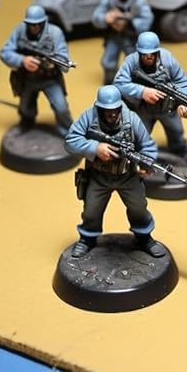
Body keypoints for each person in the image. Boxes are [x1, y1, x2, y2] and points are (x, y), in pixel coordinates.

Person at [64, 85, 164, 259]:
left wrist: (147, 163)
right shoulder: (89, 117)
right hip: (98, 176)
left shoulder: (131, 119)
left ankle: (144, 237)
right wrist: (95, 147)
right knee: (91, 210)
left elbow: (147, 144)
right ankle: (87, 238)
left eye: (115, 110)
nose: (111, 114)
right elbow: (70, 141)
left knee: (139, 207)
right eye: (107, 110)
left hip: (128, 175)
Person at [113, 31, 187, 157]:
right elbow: (119, 82)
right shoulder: (131, 61)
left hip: (167, 108)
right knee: (138, 137)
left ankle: (180, 153)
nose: (148, 57)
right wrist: (142, 91)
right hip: (143, 109)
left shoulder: (168, 59)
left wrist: (184, 102)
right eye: (145, 54)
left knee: (176, 132)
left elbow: (181, 81)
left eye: (152, 53)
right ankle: (137, 159)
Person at [0, 5, 74, 136]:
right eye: (31, 24)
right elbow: (5, 52)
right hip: (28, 78)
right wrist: (22, 60)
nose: (34, 27)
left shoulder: (55, 33)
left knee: (61, 107)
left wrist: (53, 63)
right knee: (25, 107)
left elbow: (63, 59)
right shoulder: (20, 31)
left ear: (44, 22)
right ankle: (26, 124)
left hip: (50, 79)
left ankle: (68, 131)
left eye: (37, 24)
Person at [92, 0, 154, 84]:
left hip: (130, 38)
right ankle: (110, 82)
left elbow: (147, 18)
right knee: (108, 61)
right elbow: (96, 16)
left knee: (134, 63)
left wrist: (129, 23)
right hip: (114, 36)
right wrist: (105, 18)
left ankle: (135, 84)